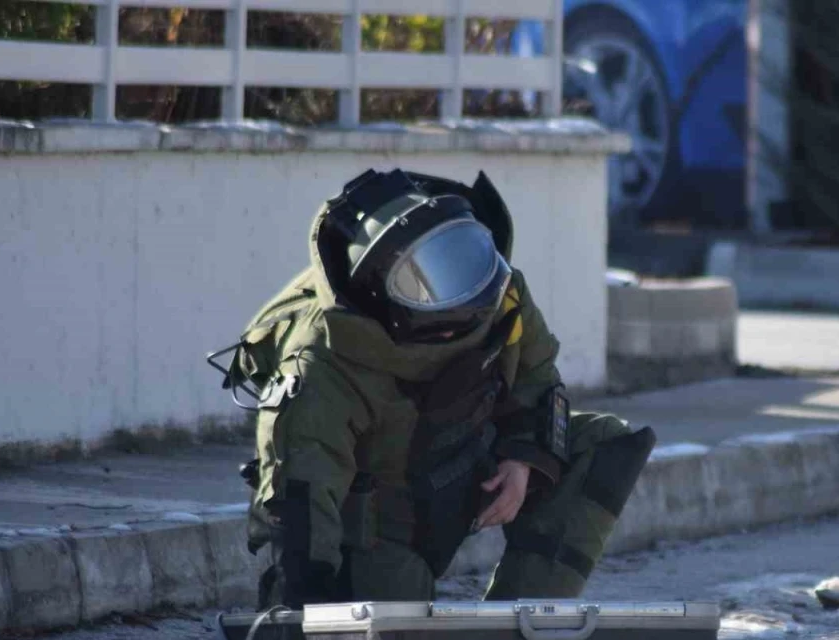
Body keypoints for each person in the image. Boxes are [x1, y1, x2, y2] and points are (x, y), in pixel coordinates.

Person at [213, 168, 655, 608]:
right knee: (392, 637)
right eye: (419, 284)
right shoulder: (322, 356)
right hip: (382, 524)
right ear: (378, 294)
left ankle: (524, 623)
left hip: (465, 466)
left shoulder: (500, 292)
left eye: (458, 261)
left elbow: (537, 377)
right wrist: (301, 623)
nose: (460, 298)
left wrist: (523, 457)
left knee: (603, 443)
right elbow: (301, 499)